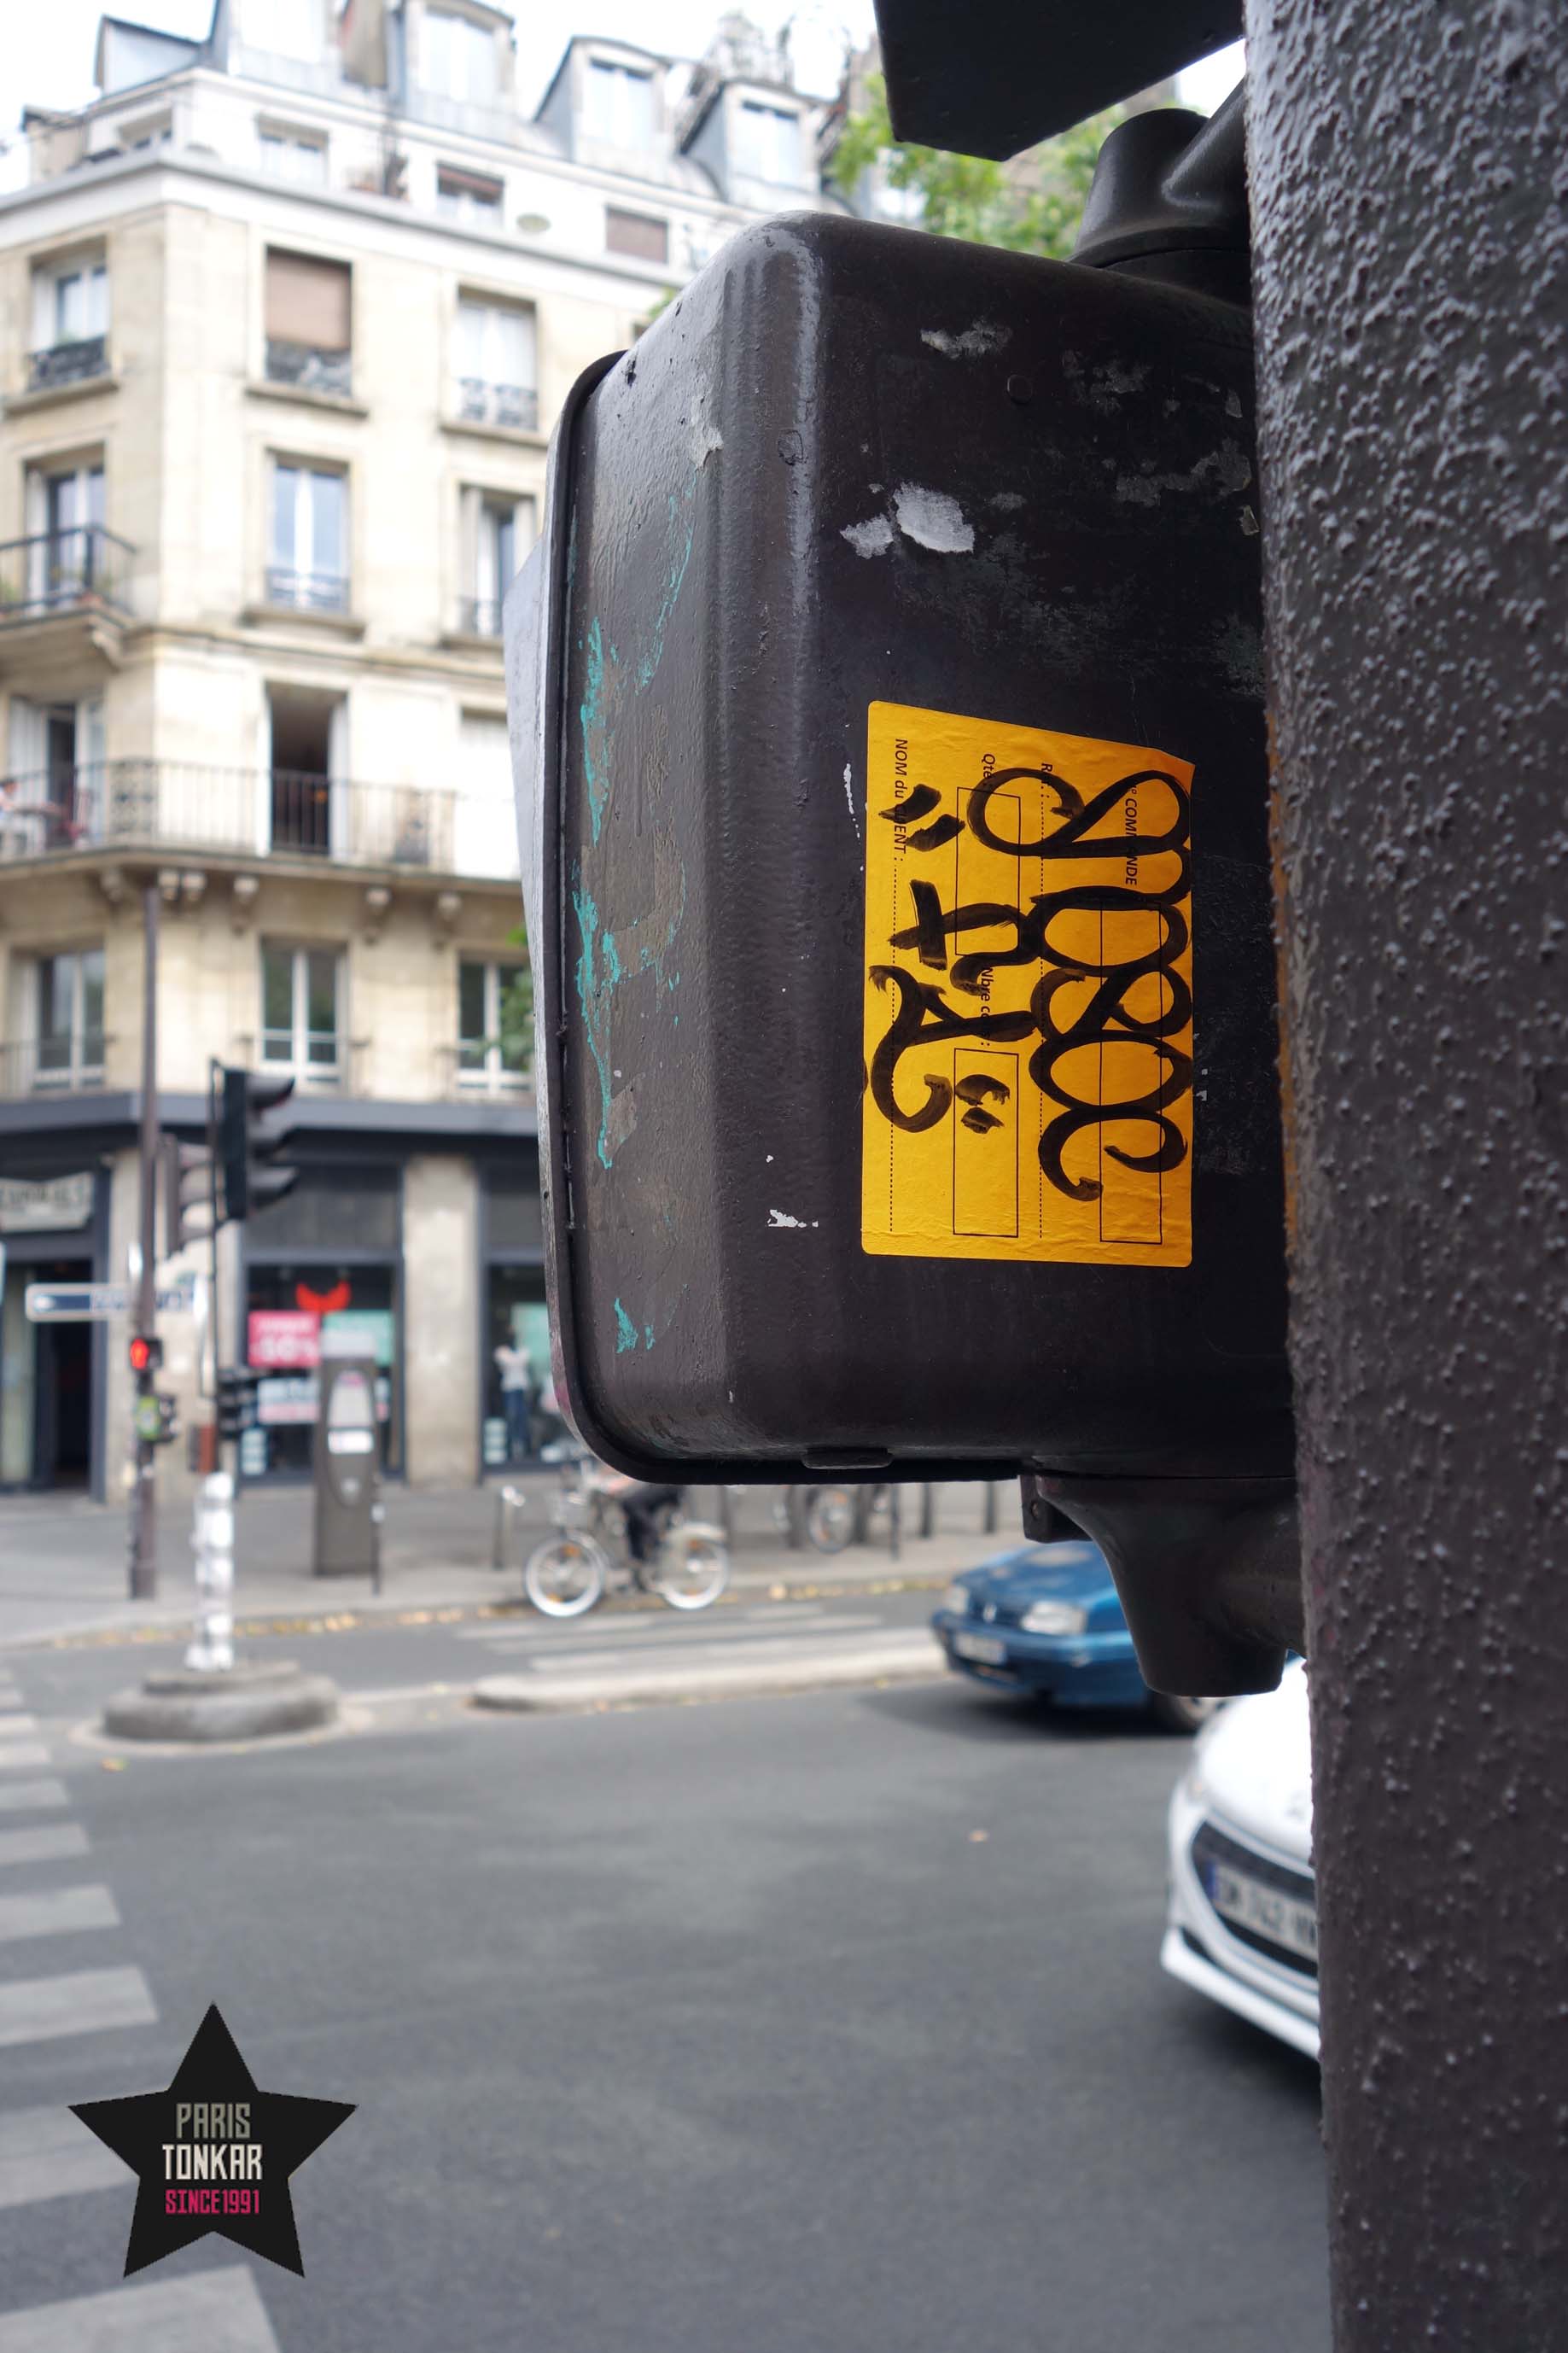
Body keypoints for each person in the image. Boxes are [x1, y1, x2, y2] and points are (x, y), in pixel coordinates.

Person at [493, 1335, 533, 1463]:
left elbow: (520, 1360)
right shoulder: (501, 1352)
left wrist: (514, 1361)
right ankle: (511, 1448)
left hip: (521, 1388)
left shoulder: (523, 1351)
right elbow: (510, 1361)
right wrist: (515, 1361)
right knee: (512, 1416)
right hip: (509, 1389)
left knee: (522, 1417)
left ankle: (522, 1447)